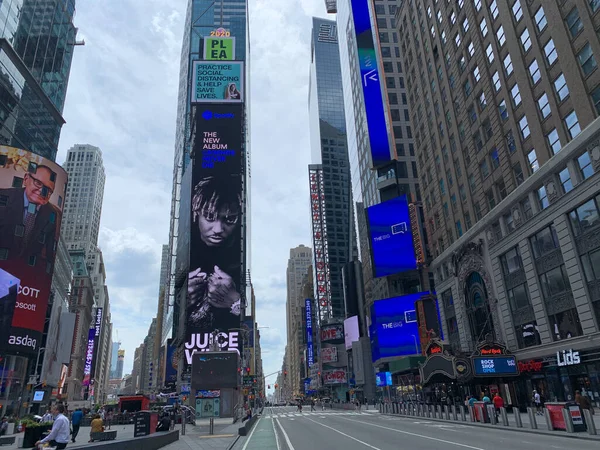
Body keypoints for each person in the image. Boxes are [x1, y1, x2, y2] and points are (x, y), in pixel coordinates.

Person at [187, 176, 242, 331]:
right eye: (210, 217)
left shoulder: (241, 260)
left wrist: (234, 301)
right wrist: (183, 300)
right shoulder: (185, 254)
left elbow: (247, 326)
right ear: (196, 214)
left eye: (229, 220)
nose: (218, 229)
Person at [0, 165, 61, 266]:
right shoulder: (4, 196)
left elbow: (49, 253)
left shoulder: (52, 213)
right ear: (26, 179)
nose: (42, 192)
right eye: (38, 183)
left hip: (23, 273)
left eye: (48, 190)